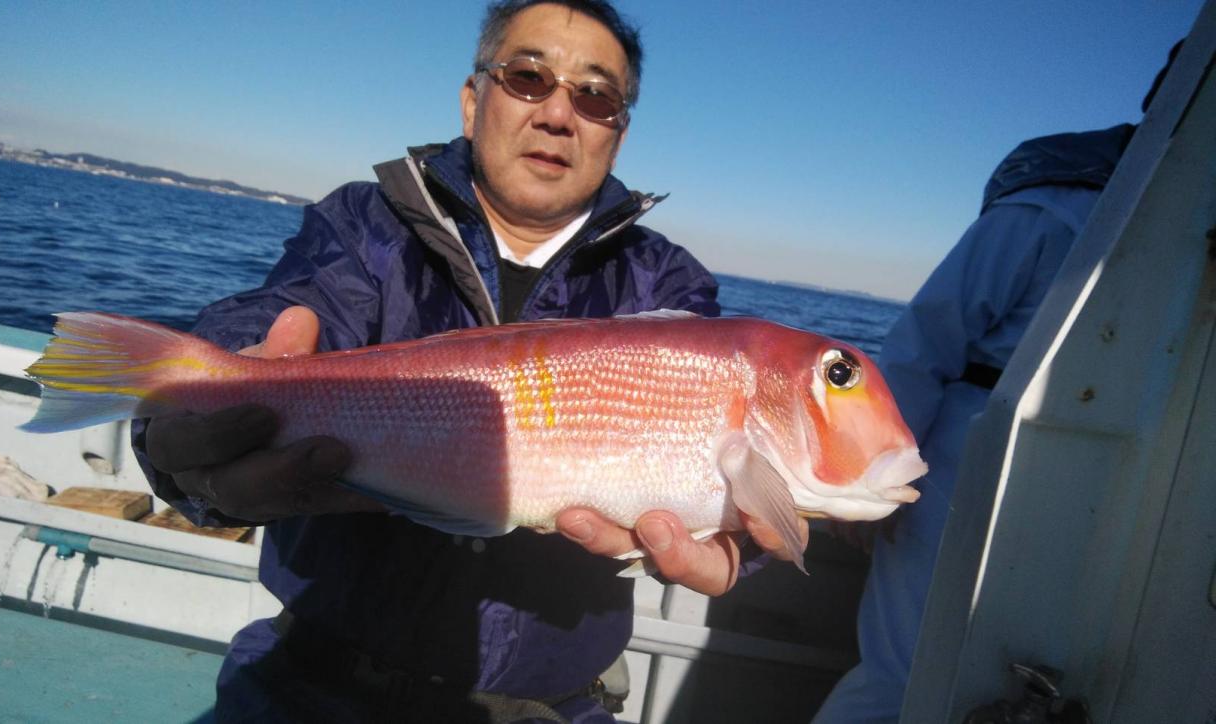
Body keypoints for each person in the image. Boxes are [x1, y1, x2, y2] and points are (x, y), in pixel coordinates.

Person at [134, 2, 786, 721]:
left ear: (618, 132)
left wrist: (748, 537)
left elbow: (730, 453)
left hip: (550, 707)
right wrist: (201, 413)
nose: (558, 114)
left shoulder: (666, 281)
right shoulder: (364, 224)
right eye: (529, 77)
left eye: (595, 96)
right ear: (474, 101)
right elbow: (285, 310)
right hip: (306, 682)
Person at [811, 43, 1182, 724]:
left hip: (1108, 496)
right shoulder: (1052, 209)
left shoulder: (1183, 232)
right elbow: (925, 344)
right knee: (906, 673)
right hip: (961, 467)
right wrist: (866, 480)